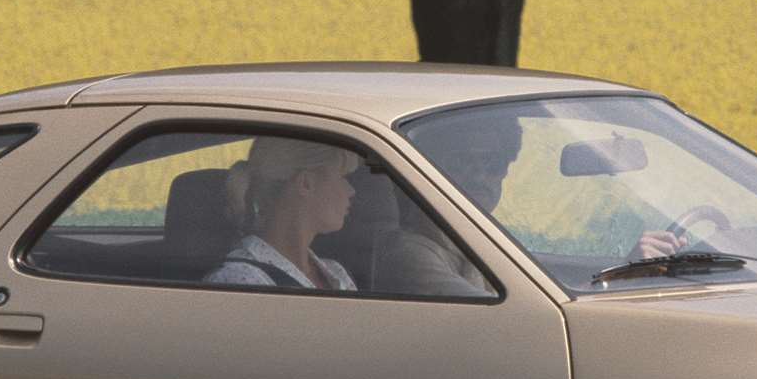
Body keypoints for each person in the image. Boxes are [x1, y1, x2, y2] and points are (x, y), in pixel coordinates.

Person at [378, 107, 522, 296]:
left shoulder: (483, 238)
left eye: (493, 163)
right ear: (430, 167)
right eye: (463, 161)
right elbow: (497, 315)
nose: (479, 175)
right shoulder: (410, 254)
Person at [205, 135, 361, 291]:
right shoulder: (240, 279)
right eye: (343, 176)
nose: (351, 190)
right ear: (306, 183)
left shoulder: (336, 272)